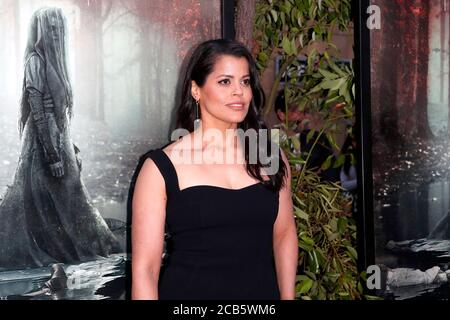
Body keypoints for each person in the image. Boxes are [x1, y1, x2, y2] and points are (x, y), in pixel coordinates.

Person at [132, 39, 298, 300]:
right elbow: (146, 269)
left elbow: (284, 235)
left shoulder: (269, 156)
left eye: (244, 81)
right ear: (196, 90)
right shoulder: (161, 167)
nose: (239, 92)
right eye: (225, 81)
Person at [0, 7, 120, 270]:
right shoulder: (35, 61)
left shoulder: (56, 64)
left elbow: (60, 114)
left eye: (58, 30)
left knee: (68, 197)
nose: (55, 35)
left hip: (57, 137)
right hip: (43, 142)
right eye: (50, 29)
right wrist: (52, 154)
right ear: (40, 32)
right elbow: (39, 111)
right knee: (44, 201)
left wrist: (68, 147)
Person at [274, 91, 339, 182]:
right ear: (281, 114)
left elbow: (332, 174)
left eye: (305, 111)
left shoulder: (318, 140)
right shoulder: (271, 143)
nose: (302, 116)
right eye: (296, 111)